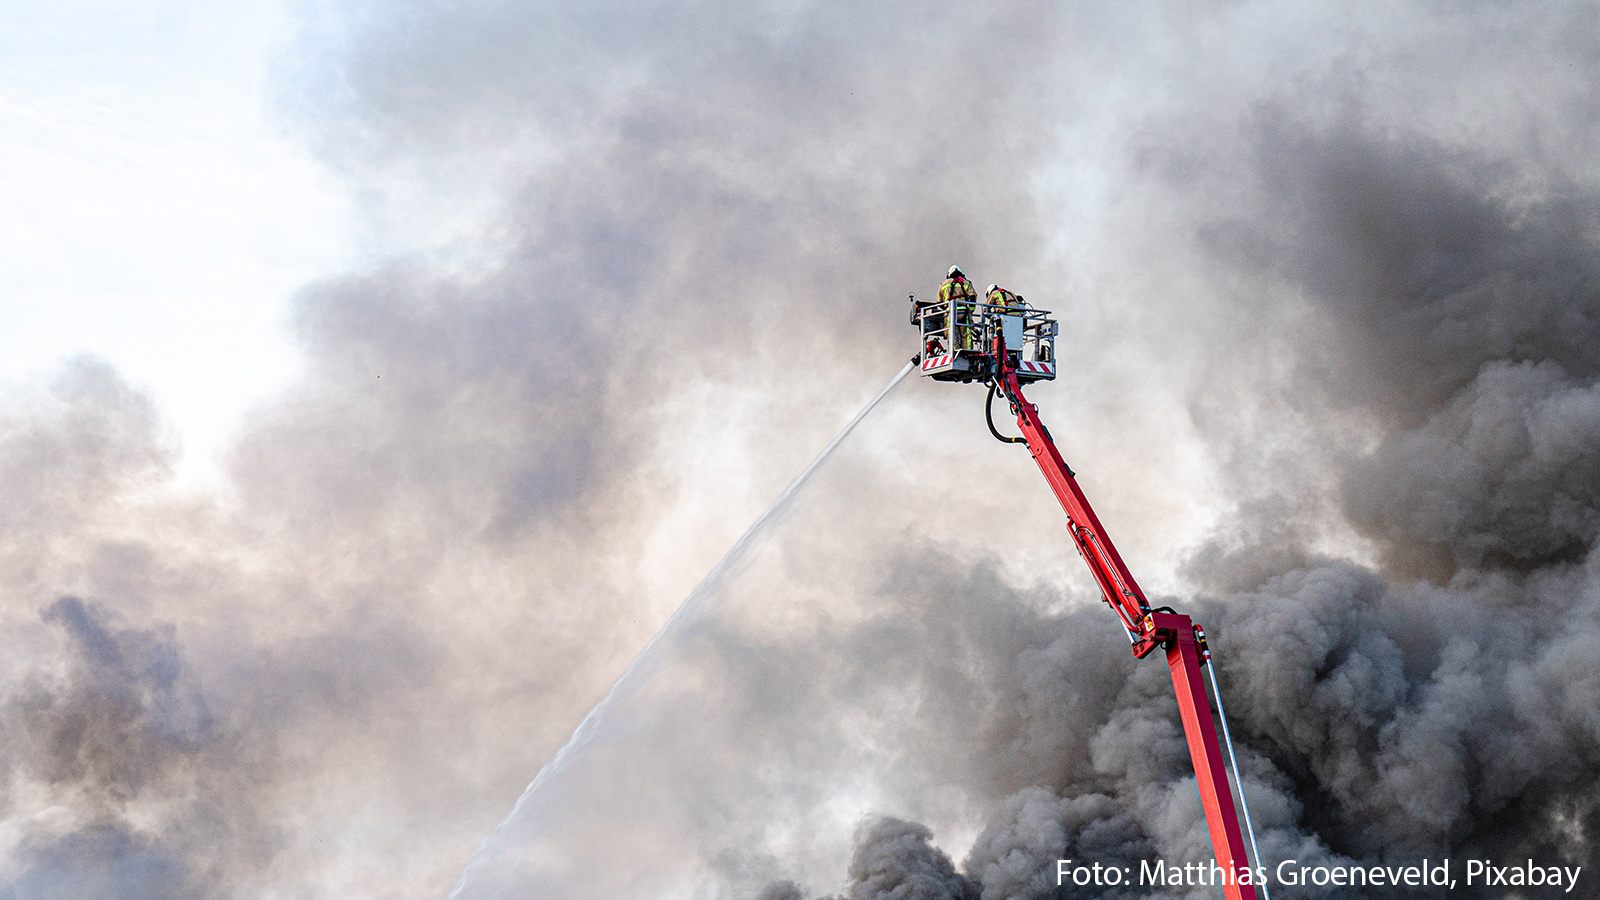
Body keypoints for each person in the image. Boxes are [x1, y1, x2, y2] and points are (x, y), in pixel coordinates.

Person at [937, 265, 978, 350]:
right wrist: (970, 311)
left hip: (950, 313)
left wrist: (946, 309)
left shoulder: (943, 284)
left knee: (952, 335)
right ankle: (967, 352)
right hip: (963, 312)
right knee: (966, 335)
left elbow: (938, 301)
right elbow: (973, 297)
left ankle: (954, 352)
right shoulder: (967, 283)